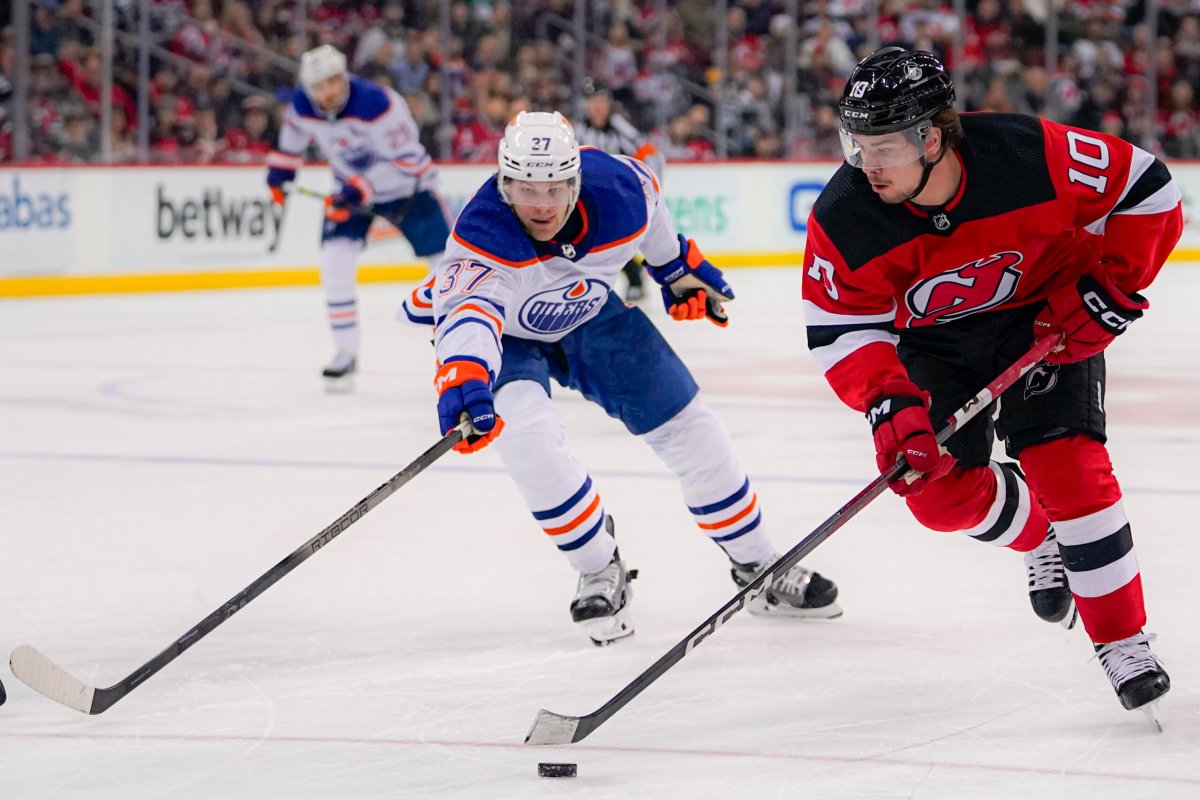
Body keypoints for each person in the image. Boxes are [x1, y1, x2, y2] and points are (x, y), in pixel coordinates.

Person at [803, 48, 1181, 716]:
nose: (867, 165)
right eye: (856, 146)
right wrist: (888, 405)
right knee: (935, 497)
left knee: (1069, 467)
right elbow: (842, 327)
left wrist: (1109, 286)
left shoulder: (1029, 154)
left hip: (1046, 316)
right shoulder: (845, 215)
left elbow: (1149, 188)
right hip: (936, 344)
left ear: (933, 137)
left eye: (882, 147)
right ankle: (1040, 535)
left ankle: (1123, 640)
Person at [429, 111, 842, 645]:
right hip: (506, 335)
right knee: (526, 438)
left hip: (587, 315)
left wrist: (674, 268)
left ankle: (760, 565)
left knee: (692, 427)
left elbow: (653, 206)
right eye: (524, 188)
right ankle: (599, 565)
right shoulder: (483, 227)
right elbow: (470, 311)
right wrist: (465, 374)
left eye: (554, 188)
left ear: (576, 180)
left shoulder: (620, 187)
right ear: (503, 182)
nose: (539, 203)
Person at [266, 45, 450, 391]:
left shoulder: (378, 103)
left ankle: (458, 349)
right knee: (335, 260)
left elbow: (407, 160)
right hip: (350, 188)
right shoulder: (302, 107)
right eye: (320, 86)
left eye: (334, 81)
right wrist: (278, 175)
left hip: (408, 188)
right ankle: (345, 352)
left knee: (446, 267)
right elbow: (291, 140)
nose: (329, 92)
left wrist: (359, 187)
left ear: (345, 76)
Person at [574, 78, 666, 302]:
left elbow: (651, 153)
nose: (597, 105)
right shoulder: (578, 130)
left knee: (610, 241)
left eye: (601, 100)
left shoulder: (620, 127)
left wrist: (648, 190)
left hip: (617, 196)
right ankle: (627, 282)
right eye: (592, 100)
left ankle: (632, 281)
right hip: (587, 196)